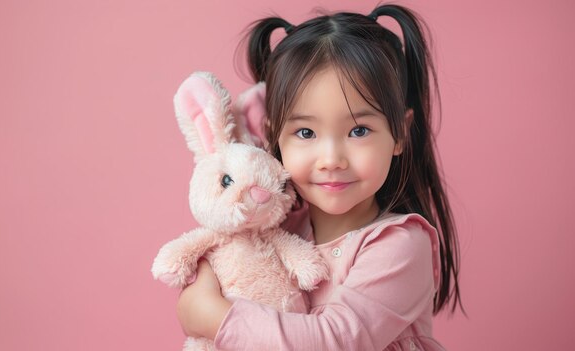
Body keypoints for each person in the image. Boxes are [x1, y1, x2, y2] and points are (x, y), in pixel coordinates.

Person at [176, 3, 463, 350]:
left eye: (358, 130)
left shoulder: (400, 246)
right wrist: (204, 281)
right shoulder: (276, 230)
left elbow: (332, 342)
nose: (331, 160)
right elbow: (223, 262)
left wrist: (213, 317)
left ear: (400, 133)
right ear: (275, 137)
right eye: (306, 133)